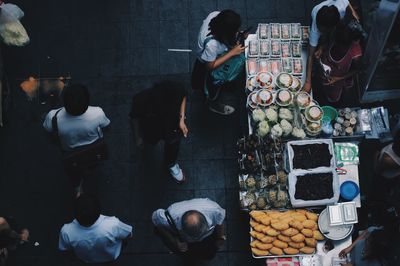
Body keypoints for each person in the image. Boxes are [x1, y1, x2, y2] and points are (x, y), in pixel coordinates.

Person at [43, 84, 110, 196]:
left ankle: (78, 188)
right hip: (94, 149)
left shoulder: (53, 117)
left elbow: (48, 132)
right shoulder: (97, 113)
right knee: (92, 163)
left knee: (73, 171)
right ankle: (89, 170)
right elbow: (107, 127)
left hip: (70, 152)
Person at [130, 81, 188, 184]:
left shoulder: (174, 88)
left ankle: (171, 164)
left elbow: (183, 95)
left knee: (173, 146)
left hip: (172, 127)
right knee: (150, 141)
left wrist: (181, 119)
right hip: (151, 128)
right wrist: (137, 136)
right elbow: (134, 118)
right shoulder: (140, 100)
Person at [192, 10, 246, 115]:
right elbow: (209, 66)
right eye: (235, 30)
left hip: (214, 54)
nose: (237, 31)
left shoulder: (216, 15)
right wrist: (232, 53)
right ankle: (213, 104)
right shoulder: (212, 45)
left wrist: (240, 35)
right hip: (206, 63)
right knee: (212, 87)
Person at [303, 0, 359, 93]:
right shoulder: (315, 27)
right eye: (318, 27)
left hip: (333, 25)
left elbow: (346, 1)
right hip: (321, 16)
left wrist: (352, 11)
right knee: (314, 45)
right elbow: (310, 55)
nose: (318, 30)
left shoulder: (341, 9)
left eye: (322, 30)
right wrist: (308, 82)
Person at [58, 194, 133, 263]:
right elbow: (128, 234)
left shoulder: (66, 231)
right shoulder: (112, 224)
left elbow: (64, 249)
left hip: (86, 259)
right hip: (110, 257)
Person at [152, 198, 226, 261]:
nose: (196, 239)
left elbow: (220, 222)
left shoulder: (213, 210)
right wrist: (175, 241)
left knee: (208, 255)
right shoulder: (169, 216)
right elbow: (157, 223)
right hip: (186, 243)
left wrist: (220, 237)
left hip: (208, 238)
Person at [317, 22, 362, 105]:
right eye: (337, 44)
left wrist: (338, 78)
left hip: (337, 81)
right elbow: (326, 42)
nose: (339, 47)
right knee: (321, 85)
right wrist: (321, 48)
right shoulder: (336, 35)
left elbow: (357, 69)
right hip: (325, 71)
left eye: (342, 46)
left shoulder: (355, 53)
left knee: (331, 97)